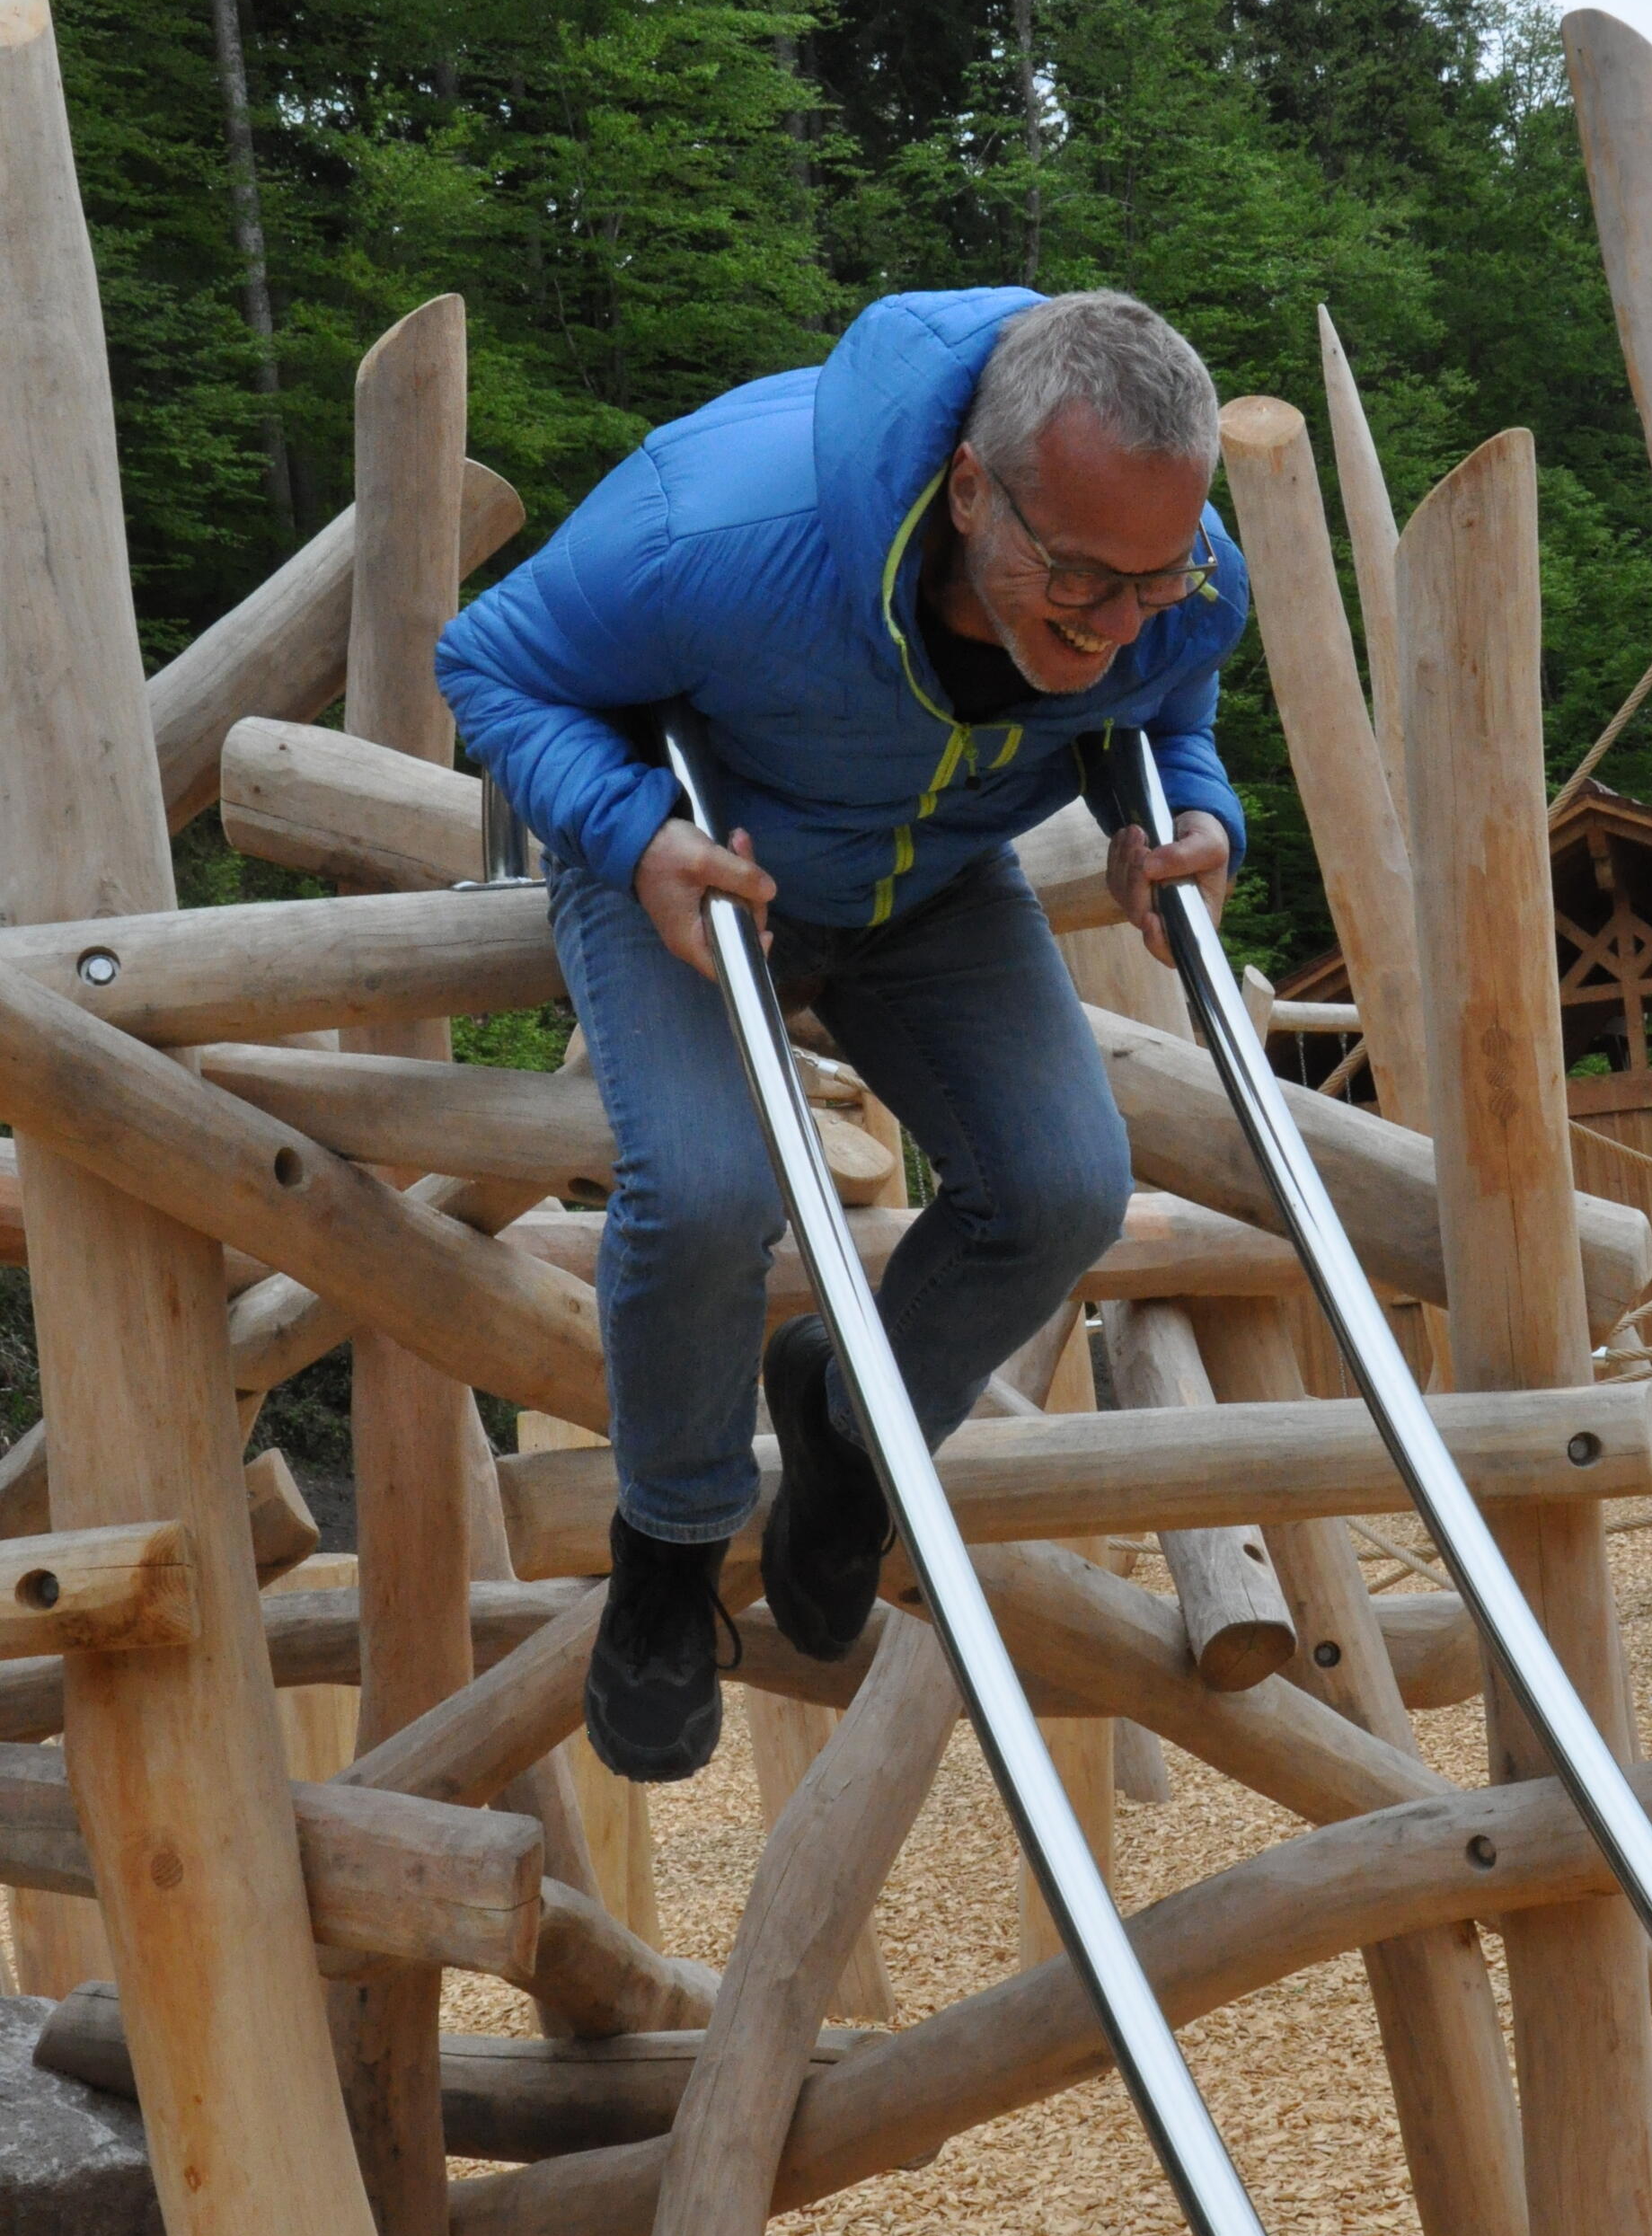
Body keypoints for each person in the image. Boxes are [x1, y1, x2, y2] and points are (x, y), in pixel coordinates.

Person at [437, 287, 1249, 1782]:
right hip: (700, 862)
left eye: (1160, 575)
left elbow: (1168, 709)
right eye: (1081, 574)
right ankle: (669, 1546)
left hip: (925, 884)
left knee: (1067, 1186)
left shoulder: (1171, 572)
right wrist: (630, 834)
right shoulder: (715, 530)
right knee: (708, 1192)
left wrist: (1192, 815)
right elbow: (488, 661)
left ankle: (849, 1415)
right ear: (967, 490)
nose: (1123, 615)